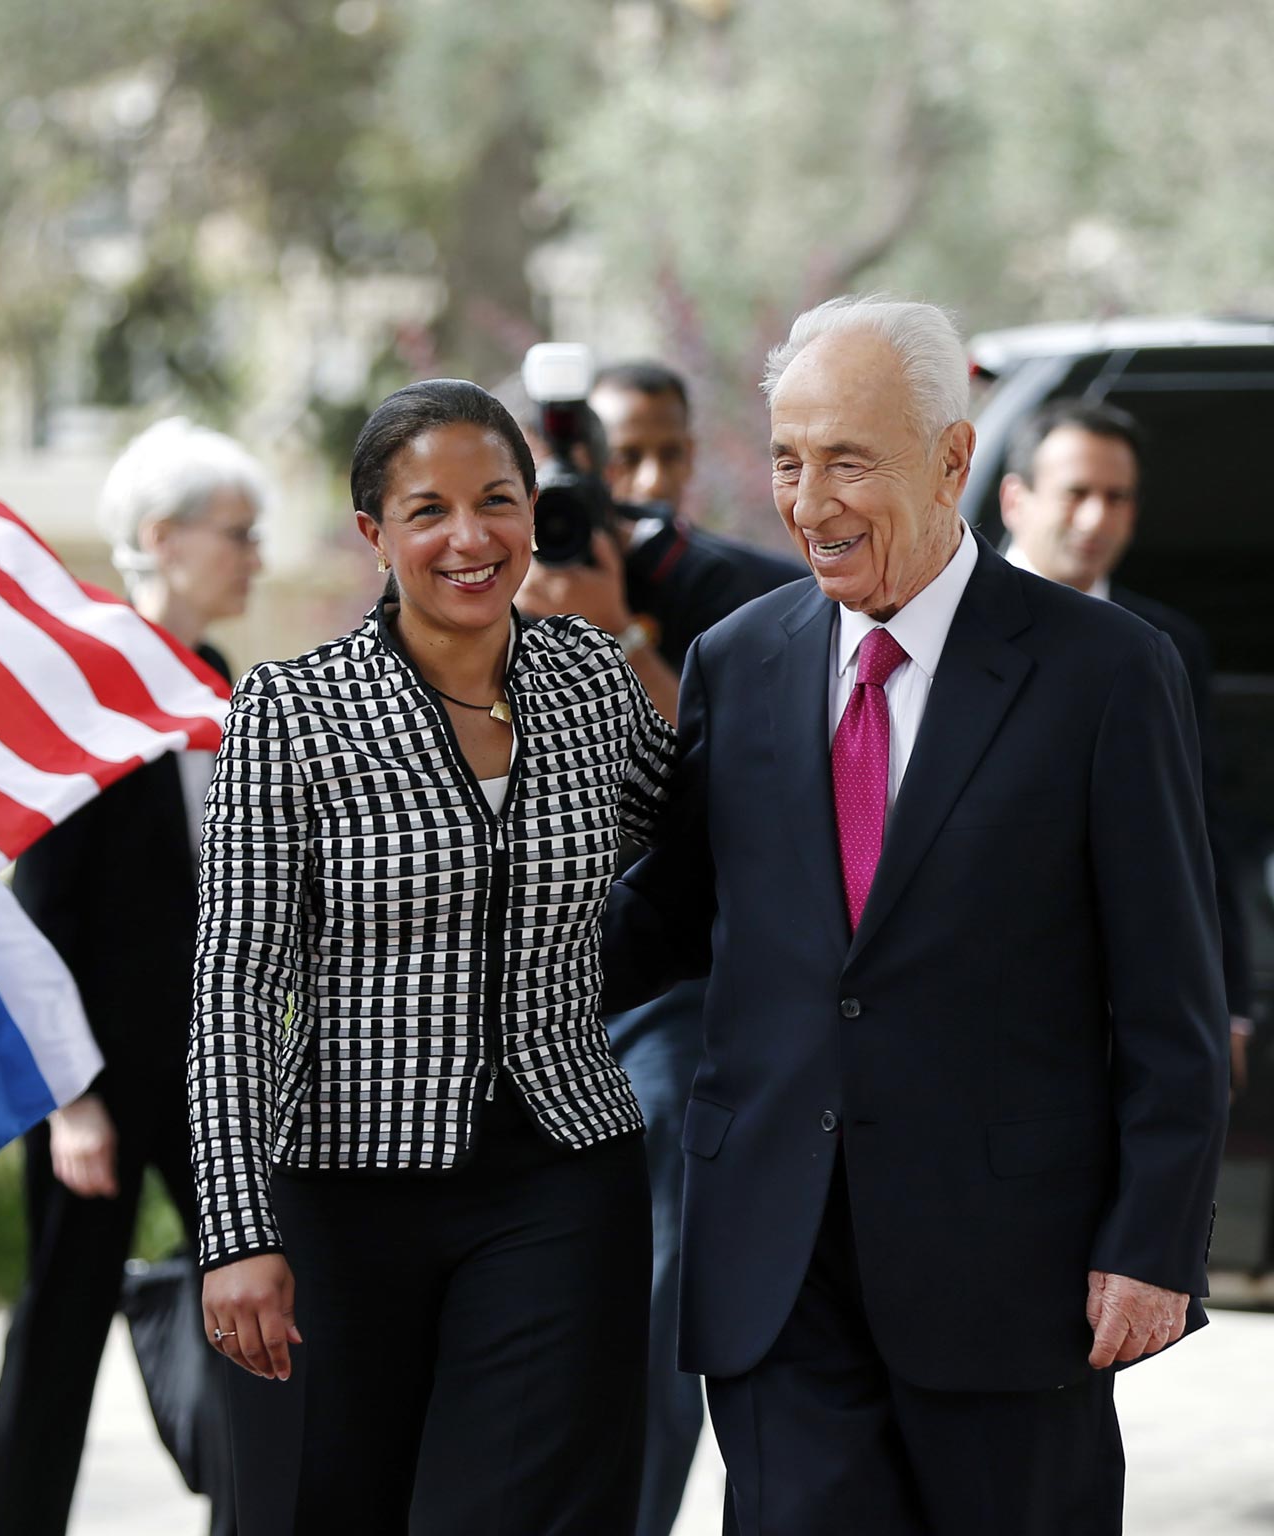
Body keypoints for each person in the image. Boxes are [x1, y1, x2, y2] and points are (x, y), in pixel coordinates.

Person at [601, 295, 1230, 1534]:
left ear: (951, 458)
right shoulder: (738, 658)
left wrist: (1152, 1239)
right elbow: (668, 916)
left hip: (1012, 1274)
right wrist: (459, 949)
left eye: (848, 460)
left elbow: (1170, 993)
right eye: (787, 461)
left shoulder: (1102, 673)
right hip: (776, 1271)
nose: (809, 500)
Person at [192, 379, 675, 1535]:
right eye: (428, 511)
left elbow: (716, 840)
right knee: (328, 1505)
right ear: (374, 536)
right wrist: (234, 1233)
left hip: (561, 1173)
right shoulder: (289, 712)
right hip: (341, 1195)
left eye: (497, 501)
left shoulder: (588, 680)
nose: (470, 538)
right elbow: (235, 984)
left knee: (534, 1510)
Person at [514, 360, 803, 1536]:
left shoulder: (730, 596)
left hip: (676, 1000)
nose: (635, 484)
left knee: (658, 1305)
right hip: (521, 1004)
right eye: (609, 459)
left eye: (660, 456)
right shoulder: (484, 592)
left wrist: (625, 636)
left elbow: (743, 791)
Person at [0, 417, 264, 1536]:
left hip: (210, 1076)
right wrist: (69, 1102)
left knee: (258, 1307)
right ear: (162, 537)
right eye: (236, 533)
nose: (252, 554)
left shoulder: (224, 679)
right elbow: (39, 913)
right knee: (60, 1325)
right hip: (95, 1073)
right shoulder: (89, 683)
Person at [998, 398, 1255, 1093]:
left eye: (1117, 498)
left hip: (1125, 1007)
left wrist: (1229, 1004)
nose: (1095, 519)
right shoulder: (948, 620)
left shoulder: (1167, 644)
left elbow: (1201, 823)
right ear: (1015, 498)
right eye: (1076, 493)